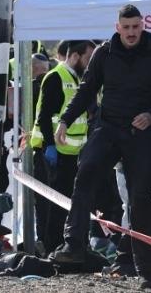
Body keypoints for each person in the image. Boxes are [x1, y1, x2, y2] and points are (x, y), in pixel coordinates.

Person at [51, 5, 151, 289]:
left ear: (143, 26)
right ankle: (74, 244)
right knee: (87, 172)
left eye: (136, 27)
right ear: (118, 28)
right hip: (109, 126)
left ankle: (143, 268)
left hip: (141, 133)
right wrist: (65, 120)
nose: (131, 33)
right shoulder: (104, 53)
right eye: (126, 28)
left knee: (140, 198)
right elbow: (87, 89)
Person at [30, 40, 95, 254]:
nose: (89, 63)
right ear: (75, 56)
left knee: (66, 204)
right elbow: (45, 115)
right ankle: (50, 248)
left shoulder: (79, 79)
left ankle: (66, 247)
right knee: (51, 207)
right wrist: (49, 145)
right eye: (87, 58)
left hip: (72, 153)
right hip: (52, 153)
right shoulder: (56, 77)